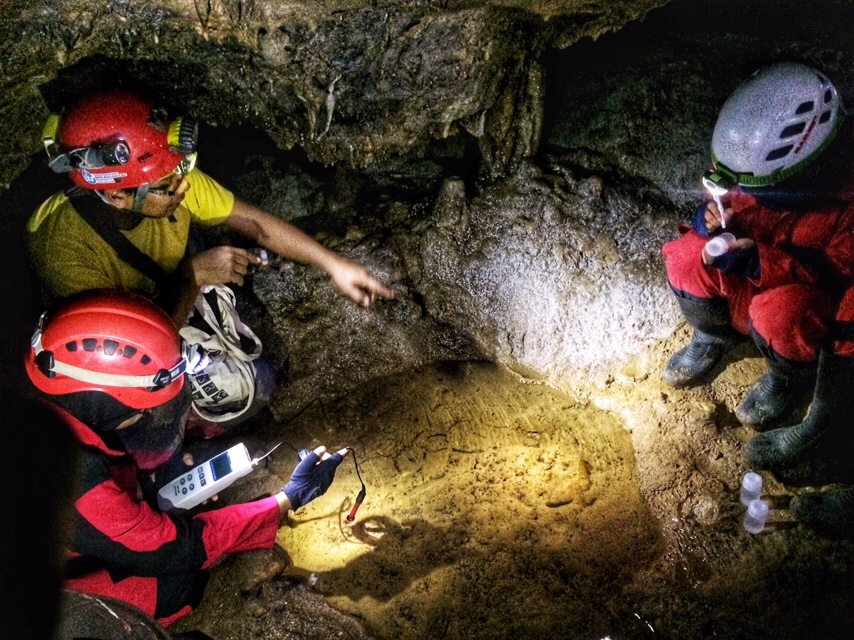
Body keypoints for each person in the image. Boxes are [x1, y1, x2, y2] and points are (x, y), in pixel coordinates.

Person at [26, 88, 393, 431]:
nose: (184, 187)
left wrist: (333, 265)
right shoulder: (64, 250)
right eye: (168, 185)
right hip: (127, 344)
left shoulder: (165, 178)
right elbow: (142, 355)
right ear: (119, 195)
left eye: (180, 172)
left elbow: (256, 224)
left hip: (167, 284)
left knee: (264, 374)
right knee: (228, 400)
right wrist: (194, 275)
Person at [23, 288, 348, 627]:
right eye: (143, 404)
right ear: (106, 401)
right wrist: (287, 498)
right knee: (180, 584)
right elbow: (183, 549)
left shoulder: (42, 399)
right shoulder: (75, 480)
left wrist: (149, 487)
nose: (149, 412)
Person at [662, 62, 854, 537]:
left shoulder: (842, 210)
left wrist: (760, 264)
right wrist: (712, 222)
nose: (742, 192)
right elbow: (728, 198)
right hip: (762, 271)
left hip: (799, 300)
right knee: (687, 257)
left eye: (755, 187)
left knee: (779, 314)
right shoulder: (762, 170)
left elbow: (836, 285)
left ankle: (791, 383)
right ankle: (712, 338)